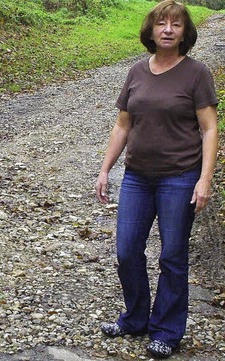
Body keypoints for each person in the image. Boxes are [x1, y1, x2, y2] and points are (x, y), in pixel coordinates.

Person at [94, 0, 219, 359]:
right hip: (136, 177)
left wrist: (204, 179)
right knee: (127, 250)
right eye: (161, 23)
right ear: (150, 30)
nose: (167, 29)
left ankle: (167, 330)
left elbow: (209, 129)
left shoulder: (196, 73)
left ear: (185, 33)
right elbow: (122, 126)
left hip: (179, 178)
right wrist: (105, 169)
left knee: (173, 256)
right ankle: (134, 319)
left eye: (175, 25)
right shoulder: (136, 71)